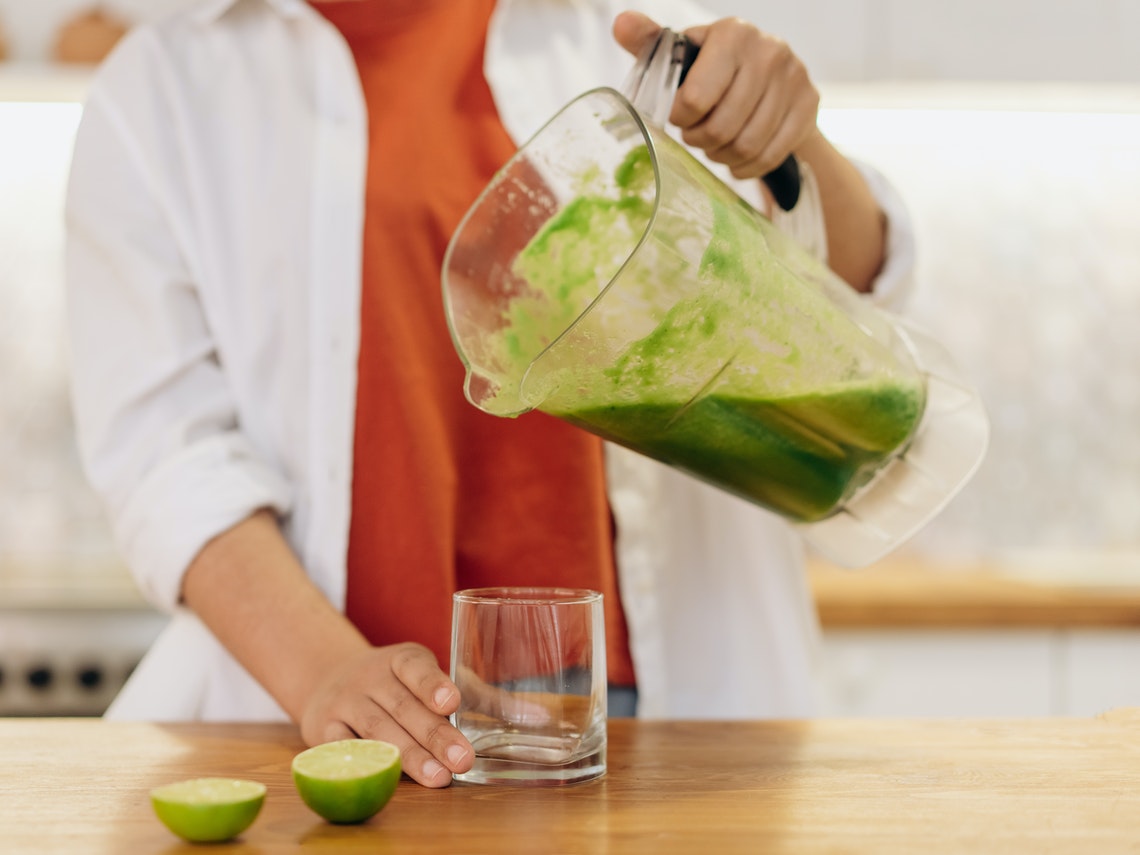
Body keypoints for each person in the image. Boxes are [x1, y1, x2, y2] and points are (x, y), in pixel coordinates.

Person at [65, 0, 914, 788]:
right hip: (353, 727)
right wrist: (325, 670)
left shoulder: (625, 29)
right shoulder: (160, 91)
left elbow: (857, 291)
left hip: (659, 702)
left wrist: (794, 141)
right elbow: (166, 457)